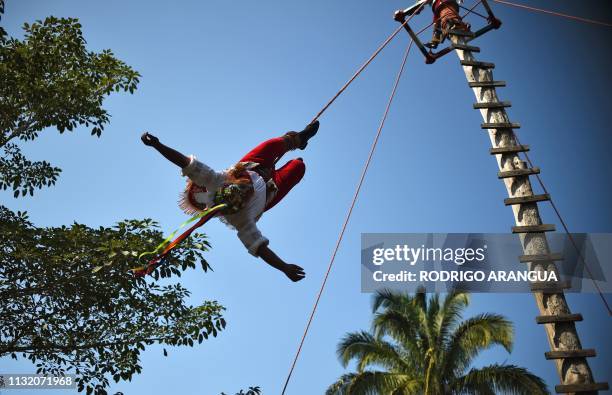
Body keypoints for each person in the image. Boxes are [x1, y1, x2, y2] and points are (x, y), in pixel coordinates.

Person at [140, 121, 320, 282]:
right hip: (270, 192)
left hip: (252, 166)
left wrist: (157, 145)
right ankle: (296, 149)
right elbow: (259, 246)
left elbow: (186, 163)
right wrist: (284, 267)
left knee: (275, 144)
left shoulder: (216, 180)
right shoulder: (239, 217)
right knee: (298, 165)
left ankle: (297, 139)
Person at [398, 0, 470, 49]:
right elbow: (420, 4)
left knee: (448, 15)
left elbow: (421, 3)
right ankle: (435, 41)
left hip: (443, 3)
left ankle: (456, 23)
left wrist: (408, 11)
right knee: (436, 24)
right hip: (438, 9)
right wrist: (415, 9)